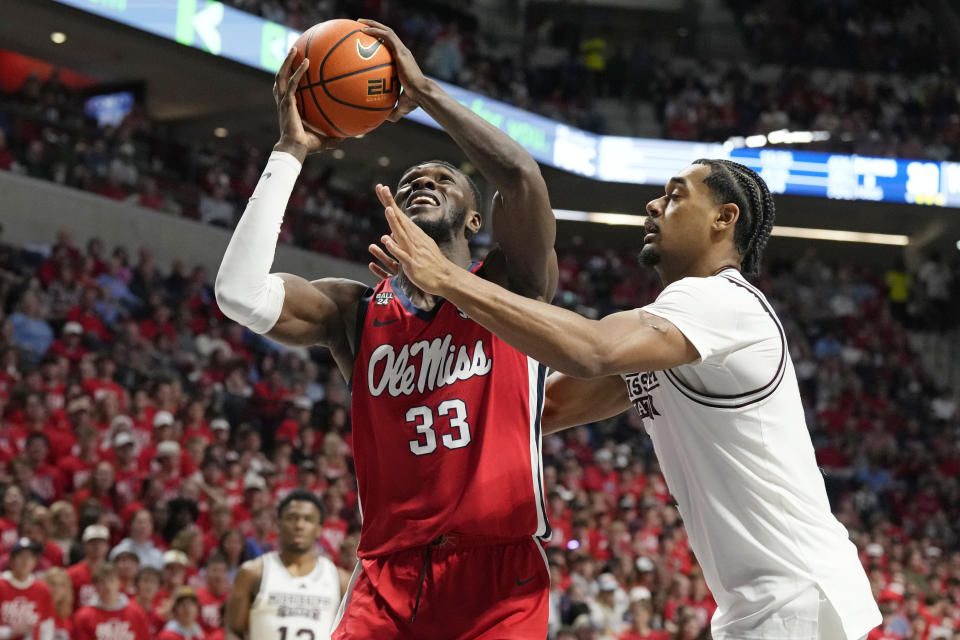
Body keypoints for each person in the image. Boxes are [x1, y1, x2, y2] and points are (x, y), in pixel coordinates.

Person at [375, 159, 882, 640]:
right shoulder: (674, 332)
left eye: (674, 196)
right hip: (767, 605)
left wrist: (448, 278)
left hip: (799, 599)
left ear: (725, 219)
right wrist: (428, 324)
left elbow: (591, 351)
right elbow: (538, 410)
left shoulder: (724, 301)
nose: (653, 206)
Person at [214, 17, 557, 639]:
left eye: (443, 179)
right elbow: (238, 294)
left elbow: (521, 179)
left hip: (495, 569)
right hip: (388, 575)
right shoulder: (355, 311)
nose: (423, 180)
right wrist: (290, 150)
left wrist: (422, 91)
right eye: (410, 181)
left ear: (476, 217)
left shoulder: (511, 287)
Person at [225, 490, 344, 640]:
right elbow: (234, 631)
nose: (299, 525)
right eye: (292, 518)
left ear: (319, 529)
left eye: (308, 519)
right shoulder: (252, 573)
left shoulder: (339, 579)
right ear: (278, 524)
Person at [73, 562, 151, 640]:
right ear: (95, 586)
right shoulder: (83, 616)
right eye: (102, 582)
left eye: (111, 580)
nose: (108, 586)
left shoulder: (135, 611)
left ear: (119, 583)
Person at [0, 537, 55, 640]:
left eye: (30, 557)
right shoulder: (1, 584)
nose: (25, 561)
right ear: (11, 560)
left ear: (35, 562)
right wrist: (10, 632)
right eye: (21, 556)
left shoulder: (42, 589)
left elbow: (47, 626)